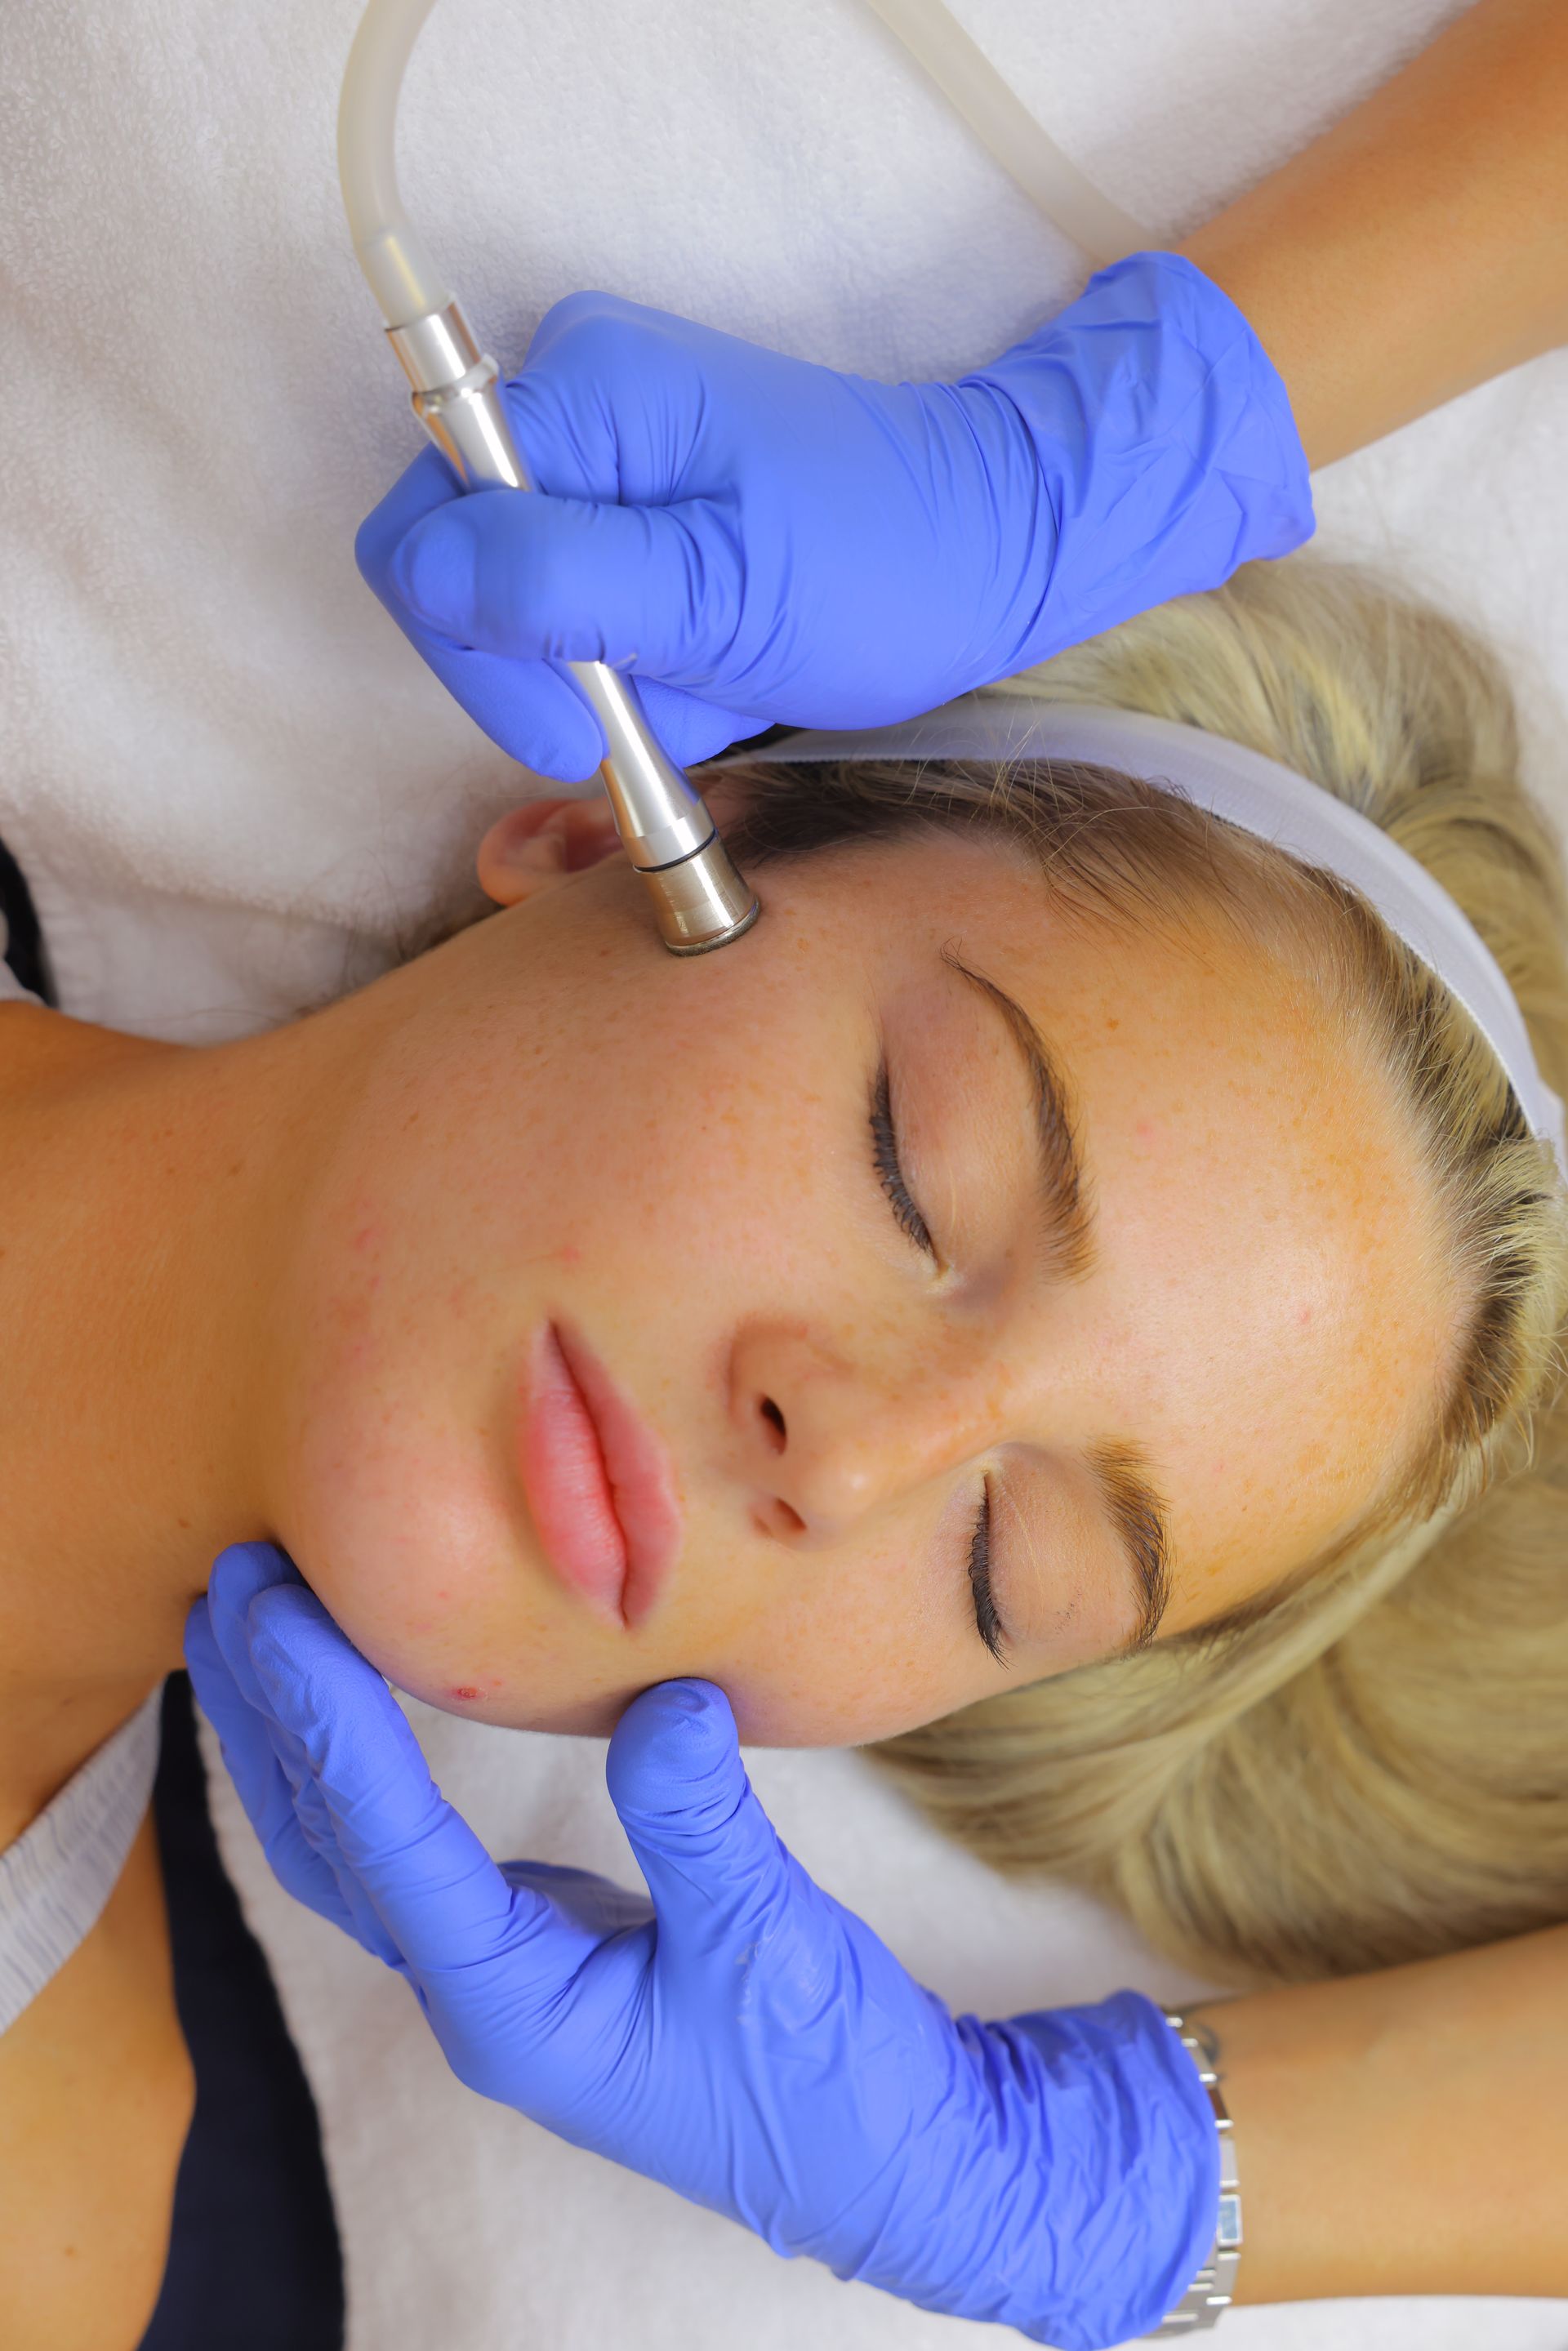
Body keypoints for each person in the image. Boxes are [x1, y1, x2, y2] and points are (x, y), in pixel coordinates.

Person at [2, 5, 1566, 2349]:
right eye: (915, 1169)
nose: (853, 1452)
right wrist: (1131, 436)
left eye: (1003, 1565)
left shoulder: (91, 2240)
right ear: (609, 820)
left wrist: (1125, 2196)